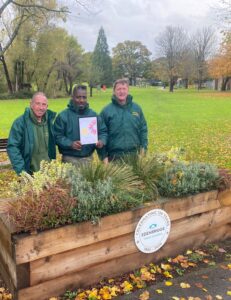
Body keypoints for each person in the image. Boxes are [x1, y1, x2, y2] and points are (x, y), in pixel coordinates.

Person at [54, 85, 107, 167]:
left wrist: (101, 141)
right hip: (69, 160)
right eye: (78, 97)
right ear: (72, 97)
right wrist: (70, 144)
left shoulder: (93, 115)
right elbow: (57, 136)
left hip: (88, 159)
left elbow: (103, 132)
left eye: (84, 97)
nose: (81, 100)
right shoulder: (63, 116)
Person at [7, 92, 56, 175]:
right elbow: (13, 148)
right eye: (38, 104)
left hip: (48, 173)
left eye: (44, 104)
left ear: (47, 107)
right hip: (29, 174)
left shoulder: (49, 122)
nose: (41, 107)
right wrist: (22, 172)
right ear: (31, 104)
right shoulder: (20, 123)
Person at [100, 78, 148, 163]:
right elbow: (101, 134)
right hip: (114, 158)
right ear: (114, 91)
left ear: (128, 90)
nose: (121, 92)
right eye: (118, 89)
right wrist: (104, 157)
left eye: (124, 89)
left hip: (135, 156)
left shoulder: (136, 108)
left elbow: (143, 130)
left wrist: (143, 150)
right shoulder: (106, 111)